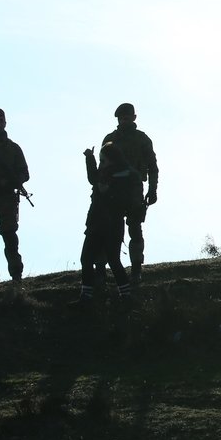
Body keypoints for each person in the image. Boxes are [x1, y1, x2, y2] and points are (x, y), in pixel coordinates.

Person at [96, 103, 159, 283]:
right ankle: (101, 270)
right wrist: (100, 190)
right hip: (112, 191)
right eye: (120, 118)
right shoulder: (110, 139)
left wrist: (152, 190)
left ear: (133, 117)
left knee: (135, 228)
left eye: (126, 117)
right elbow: (102, 168)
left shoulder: (142, 139)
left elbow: (153, 167)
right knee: (106, 230)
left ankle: (136, 269)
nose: (123, 120)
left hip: (133, 189)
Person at [76, 142, 136, 304]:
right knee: (86, 259)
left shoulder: (125, 177)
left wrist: (108, 193)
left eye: (103, 160)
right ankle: (86, 297)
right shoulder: (103, 175)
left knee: (113, 260)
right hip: (96, 224)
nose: (101, 164)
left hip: (112, 225)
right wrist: (90, 158)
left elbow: (123, 201)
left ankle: (126, 296)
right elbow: (92, 178)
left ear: (112, 160)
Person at [0, 108, 29, 286]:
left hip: (6, 197)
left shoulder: (13, 148)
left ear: (5, 123)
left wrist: (11, 182)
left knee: (9, 235)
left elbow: (24, 173)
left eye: (0, 120)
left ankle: (16, 274)